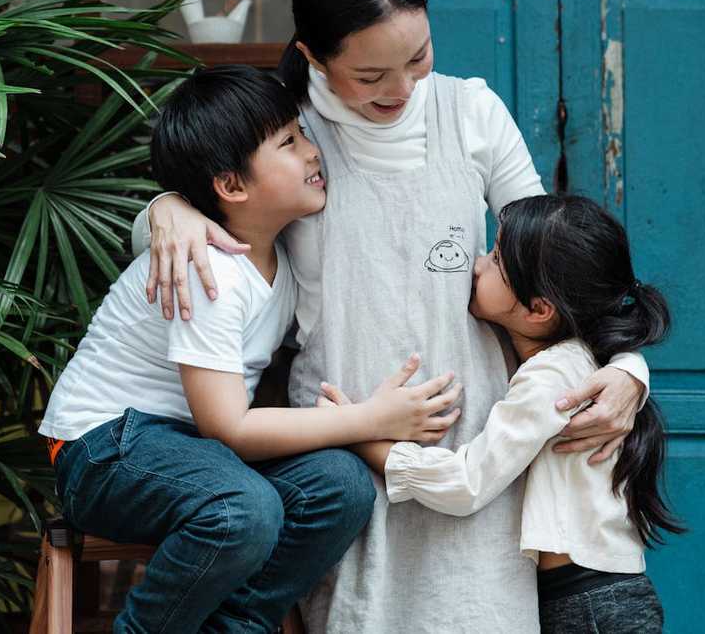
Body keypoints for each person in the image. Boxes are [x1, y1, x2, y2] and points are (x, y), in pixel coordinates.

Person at [133, 0, 653, 633]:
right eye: (371, 74)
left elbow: (554, 263)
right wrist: (164, 210)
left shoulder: (470, 113)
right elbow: (195, 232)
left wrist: (628, 368)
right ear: (313, 57)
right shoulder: (290, 140)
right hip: (348, 459)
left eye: (418, 57)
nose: (401, 89)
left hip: (475, 459)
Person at [39, 66, 462, 633]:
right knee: (243, 509)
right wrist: (370, 419)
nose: (313, 153)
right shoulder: (209, 268)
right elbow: (228, 426)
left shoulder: (278, 259)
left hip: (187, 449)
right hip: (102, 448)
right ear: (232, 187)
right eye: (289, 142)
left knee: (340, 485)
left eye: (303, 134)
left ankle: (233, 627)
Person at [323, 195, 685, 633]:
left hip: (588, 606)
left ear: (538, 310)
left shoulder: (551, 379)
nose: (476, 265)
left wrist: (360, 434)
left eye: (494, 259)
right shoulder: (577, 361)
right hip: (595, 596)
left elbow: (466, 482)